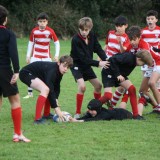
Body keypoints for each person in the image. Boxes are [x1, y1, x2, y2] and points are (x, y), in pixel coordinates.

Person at [0, 5, 31, 142]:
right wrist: (17, 71)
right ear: (5, 20)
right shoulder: (9, 34)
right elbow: (13, 53)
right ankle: (17, 134)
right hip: (5, 71)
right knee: (15, 101)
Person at [70, 17, 109, 119]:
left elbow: (98, 49)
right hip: (77, 65)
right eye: (81, 30)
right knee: (82, 87)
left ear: (90, 29)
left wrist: (106, 59)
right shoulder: (75, 40)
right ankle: (78, 113)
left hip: (87, 65)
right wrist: (99, 63)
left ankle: (97, 110)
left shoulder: (92, 35)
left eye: (86, 30)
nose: (83, 32)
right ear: (79, 29)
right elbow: (82, 58)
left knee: (98, 86)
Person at [98, 50, 153, 120]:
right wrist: (117, 74)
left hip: (120, 74)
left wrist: (119, 74)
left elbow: (118, 55)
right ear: (139, 59)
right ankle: (91, 109)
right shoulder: (129, 58)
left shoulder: (134, 60)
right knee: (107, 96)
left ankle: (136, 115)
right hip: (109, 73)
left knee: (132, 89)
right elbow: (112, 59)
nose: (143, 65)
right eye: (143, 63)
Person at [19, 55, 73, 124]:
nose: (66, 69)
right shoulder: (52, 70)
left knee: (48, 90)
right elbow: (50, 88)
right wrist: (56, 109)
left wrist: (56, 99)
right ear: (59, 63)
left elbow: (56, 86)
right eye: (64, 66)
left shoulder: (59, 70)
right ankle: (37, 119)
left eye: (68, 67)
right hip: (25, 73)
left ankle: (46, 114)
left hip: (34, 74)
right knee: (45, 89)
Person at [23, 12, 60, 99]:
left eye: (44, 21)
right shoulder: (34, 31)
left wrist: (56, 55)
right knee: (30, 73)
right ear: (37, 22)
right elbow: (30, 43)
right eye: (40, 21)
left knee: (50, 74)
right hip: (35, 56)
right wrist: (28, 56)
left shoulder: (50, 31)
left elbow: (57, 43)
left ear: (47, 22)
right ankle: (30, 93)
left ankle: (49, 91)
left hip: (47, 57)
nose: (42, 23)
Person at [127, 26, 158, 115]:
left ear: (139, 37)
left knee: (152, 85)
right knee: (142, 91)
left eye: (134, 39)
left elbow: (148, 60)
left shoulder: (144, 45)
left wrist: (134, 61)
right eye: (130, 39)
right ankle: (156, 107)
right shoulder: (131, 45)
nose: (132, 42)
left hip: (156, 63)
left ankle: (158, 106)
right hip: (150, 66)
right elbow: (126, 55)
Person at [104, 15, 130, 108]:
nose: (118, 28)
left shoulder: (126, 38)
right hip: (108, 64)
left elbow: (123, 51)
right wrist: (100, 58)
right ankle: (104, 106)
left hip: (117, 65)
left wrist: (119, 42)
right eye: (117, 26)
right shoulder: (110, 33)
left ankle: (111, 107)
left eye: (120, 26)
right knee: (110, 92)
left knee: (123, 87)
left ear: (126, 26)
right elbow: (107, 46)